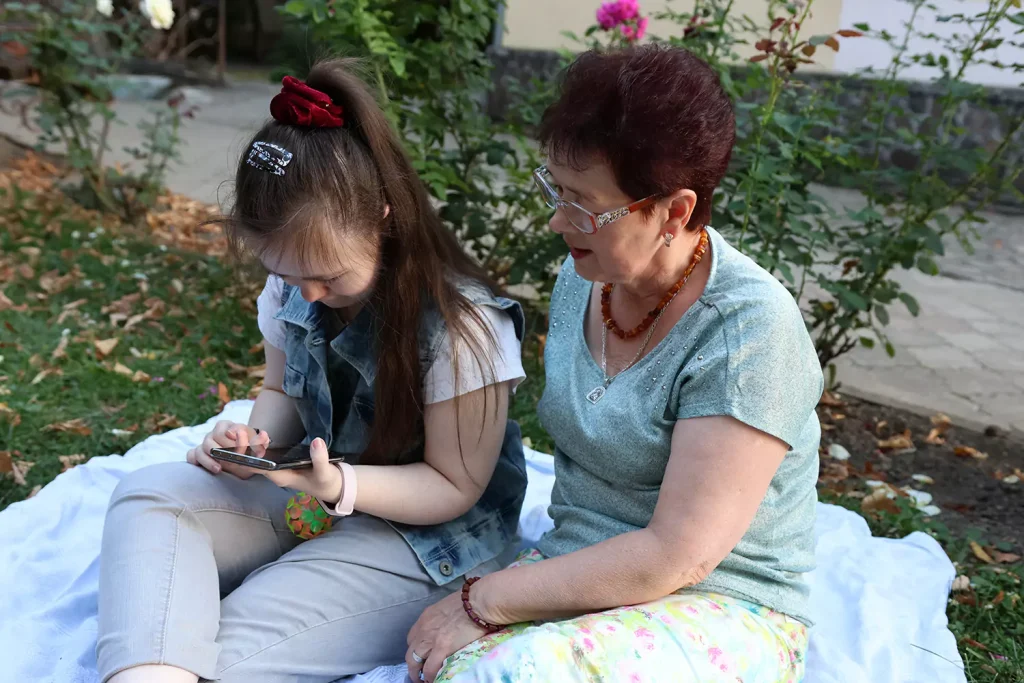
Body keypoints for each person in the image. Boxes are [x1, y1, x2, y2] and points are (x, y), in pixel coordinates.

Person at [96, 60, 528, 683]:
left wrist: (337, 485)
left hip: (431, 539)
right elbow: (280, 388)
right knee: (149, 497)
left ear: (383, 216)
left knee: (222, 646)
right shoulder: (295, 283)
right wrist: (254, 441)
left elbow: (453, 486)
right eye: (288, 273)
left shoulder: (464, 328)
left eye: (327, 275)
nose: (309, 293)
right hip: (318, 494)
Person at [406, 45, 823, 683]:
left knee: (507, 674)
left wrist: (483, 599)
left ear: (675, 211)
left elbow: (677, 556)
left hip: (720, 599)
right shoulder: (584, 277)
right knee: (438, 662)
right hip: (579, 567)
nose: (557, 220)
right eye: (555, 189)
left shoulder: (747, 331)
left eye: (582, 203)